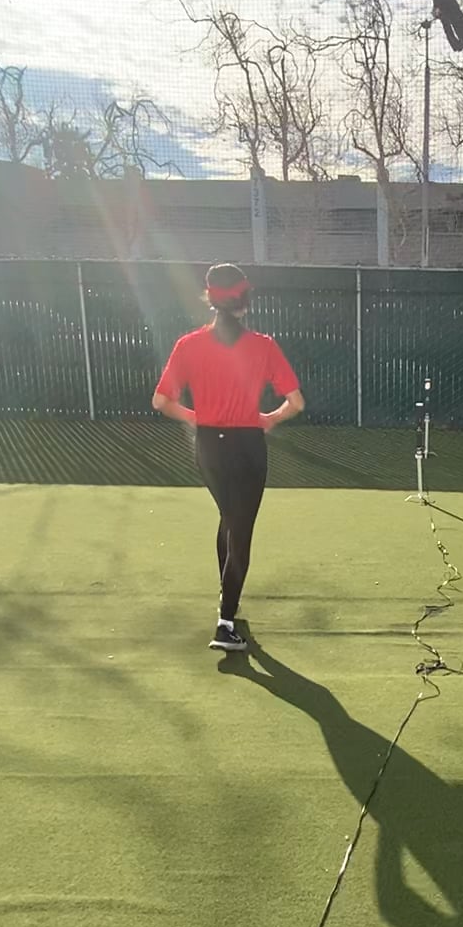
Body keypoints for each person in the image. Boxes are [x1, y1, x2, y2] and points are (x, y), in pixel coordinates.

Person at [152, 264, 305, 651]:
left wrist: (197, 417)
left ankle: (227, 597)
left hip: (208, 447)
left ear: (211, 299)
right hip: (247, 446)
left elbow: (162, 401)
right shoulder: (263, 346)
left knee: (229, 517)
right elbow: (296, 403)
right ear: (244, 300)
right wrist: (270, 419)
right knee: (241, 530)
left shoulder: (188, 345)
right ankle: (225, 623)